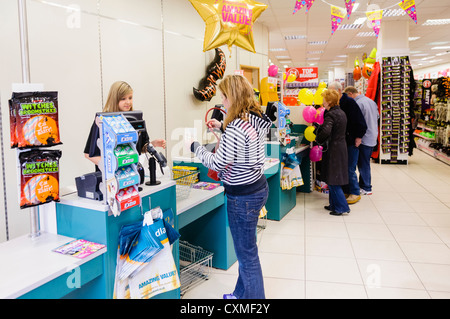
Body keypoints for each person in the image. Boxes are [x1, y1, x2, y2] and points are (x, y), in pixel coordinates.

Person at [190, 75, 272, 299]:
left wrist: (196, 148)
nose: (222, 102)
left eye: (224, 97)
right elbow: (240, 138)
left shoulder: (236, 127)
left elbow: (217, 162)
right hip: (258, 188)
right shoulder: (252, 119)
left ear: (232, 98)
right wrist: (221, 125)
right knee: (247, 249)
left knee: (247, 255)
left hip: (242, 197)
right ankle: (240, 294)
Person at [84, 81, 166, 167]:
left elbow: (140, 148)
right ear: (114, 100)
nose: (128, 102)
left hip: (132, 175)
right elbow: (89, 154)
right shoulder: (101, 121)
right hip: (110, 176)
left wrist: (154, 144)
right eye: (123, 99)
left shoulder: (136, 119)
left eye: (130, 98)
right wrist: (112, 166)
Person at [328, 81, 367, 205]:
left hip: (350, 141)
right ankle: (346, 191)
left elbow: (360, 122)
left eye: (332, 92)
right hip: (341, 142)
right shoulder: (336, 104)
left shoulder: (349, 103)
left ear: (339, 91)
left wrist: (358, 137)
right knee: (342, 168)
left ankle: (355, 192)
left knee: (350, 168)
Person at [315, 89, 350, 216]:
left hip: (334, 149)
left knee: (333, 179)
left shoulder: (330, 115)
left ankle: (341, 207)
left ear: (329, 101)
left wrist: (318, 138)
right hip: (341, 147)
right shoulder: (341, 112)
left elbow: (326, 131)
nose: (323, 101)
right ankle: (333, 205)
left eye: (324, 99)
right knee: (333, 177)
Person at [344, 86, 379, 195]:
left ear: (350, 94)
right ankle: (365, 185)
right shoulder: (371, 101)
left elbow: (358, 122)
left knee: (362, 163)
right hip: (372, 135)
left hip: (363, 137)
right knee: (365, 162)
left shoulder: (357, 104)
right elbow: (377, 117)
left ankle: (366, 187)